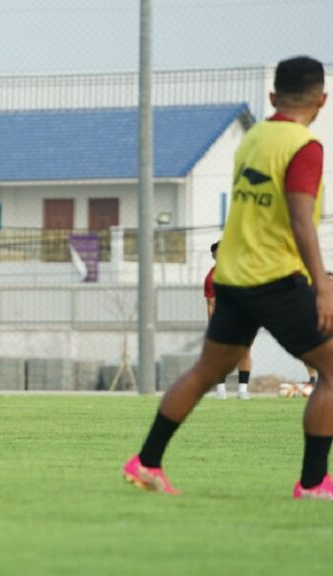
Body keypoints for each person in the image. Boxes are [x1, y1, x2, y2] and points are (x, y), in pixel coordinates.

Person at [122, 56, 333, 499]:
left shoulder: (253, 138)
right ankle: (314, 483)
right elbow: (299, 219)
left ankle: (147, 461)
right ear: (322, 99)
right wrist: (323, 284)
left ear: (273, 97)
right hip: (274, 277)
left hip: (232, 277)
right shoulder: (304, 146)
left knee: (204, 373)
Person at [204, 241, 251, 400]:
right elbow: (211, 304)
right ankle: (221, 389)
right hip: (223, 321)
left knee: (245, 352)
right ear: (214, 256)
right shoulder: (211, 277)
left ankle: (243, 390)